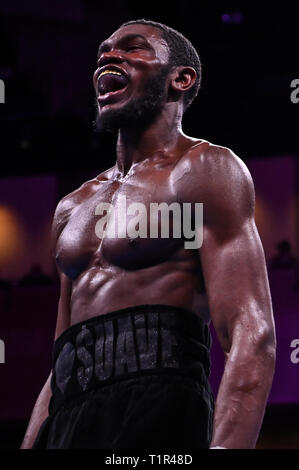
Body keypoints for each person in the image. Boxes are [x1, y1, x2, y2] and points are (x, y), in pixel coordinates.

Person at [21, 19, 276, 449]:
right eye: (103, 49)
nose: (108, 55)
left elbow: (253, 333)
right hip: (72, 422)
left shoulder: (203, 170)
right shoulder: (72, 207)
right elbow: (61, 362)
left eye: (133, 47)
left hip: (160, 411)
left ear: (181, 78)